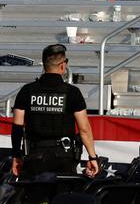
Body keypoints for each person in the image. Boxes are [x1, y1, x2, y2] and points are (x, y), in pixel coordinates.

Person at [11, 44, 100, 178]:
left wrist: (16, 155)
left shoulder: (27, 91)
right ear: (63, 65)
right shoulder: (72, 92)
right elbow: (84, 129)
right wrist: (92, 157)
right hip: (63, 157)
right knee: (62, 197)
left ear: (44, 65)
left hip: (34, 156)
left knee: (33, 197)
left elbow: (17, 127)